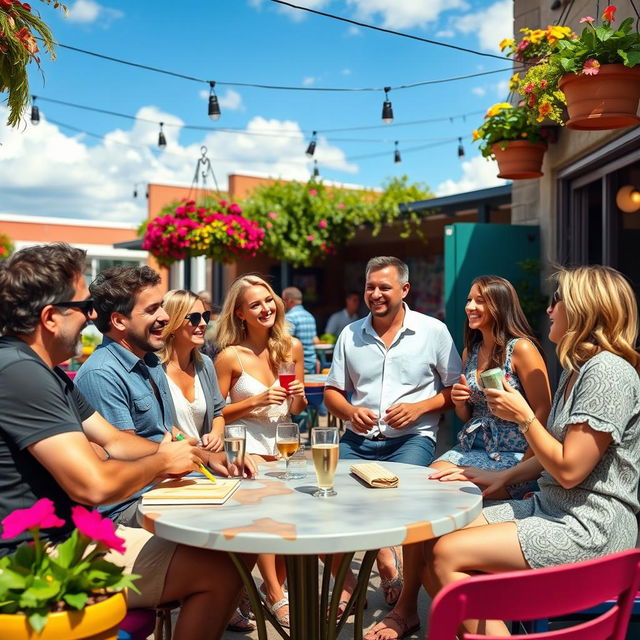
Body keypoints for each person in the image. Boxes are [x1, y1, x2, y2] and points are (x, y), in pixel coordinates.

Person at [0, 243, 255, 640]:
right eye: (82, 305)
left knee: (235, 548)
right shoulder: (21, 374)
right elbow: (94, 486)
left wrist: (191, 453)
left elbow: (116, 441)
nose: (90, 317)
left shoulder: (41, 370)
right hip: (32, 558)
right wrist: (163, 462)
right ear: (50, 317)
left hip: (68, 538)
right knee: (222, 568)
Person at [423, 265, 640, 637]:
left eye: (558, 300)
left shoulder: (608, 372)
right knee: (434, 541)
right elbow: (555, 451)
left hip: (590, 525)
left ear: (584, 309)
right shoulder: (578, 369)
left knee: (448, 555)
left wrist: (524, 418)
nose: (549, 309)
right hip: (552, 506)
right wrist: (500, 477)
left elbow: (571, 469)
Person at [366, 275, 552, 640]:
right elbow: (469, 418)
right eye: (469, 299)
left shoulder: (522, 349)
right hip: (474, 448)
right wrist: (460, 403)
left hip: (514, 454)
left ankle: (408, 610)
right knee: (421, 491)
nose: (470, 307)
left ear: (500, 305)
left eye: (480, 301)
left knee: (437, 505)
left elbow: (543, 411)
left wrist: (525, 468)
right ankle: (417, 608)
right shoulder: (471, 352)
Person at [324, 256, 461, 613]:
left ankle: (404, 595)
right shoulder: (350, 334)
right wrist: (351, 410)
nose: (376, 294)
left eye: (384, 287)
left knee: (403, 510)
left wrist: (420, 408)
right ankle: (350, 584)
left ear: (404, 289)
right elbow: (332, 392)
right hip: (358, 440)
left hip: (412, 440)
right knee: (325, 506)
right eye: (370, 286)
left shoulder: (434, 331)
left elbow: (455, 391)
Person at [76, 266, 256, 528]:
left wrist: (209, 454)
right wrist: (200, 456)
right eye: (152, 310)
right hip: (128, 507)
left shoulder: (149, 361)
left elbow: (161, 429)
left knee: (252, 506)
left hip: (163, 488)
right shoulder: (101, 373)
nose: (164, 316)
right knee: (234, 527)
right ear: (118, 321)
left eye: (161, 306)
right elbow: (124, 451)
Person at [215, 274, 308, 628]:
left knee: (284, 523)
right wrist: (256, 399)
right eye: (255, 304)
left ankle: (261, 593)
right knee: (265, 521)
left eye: (268, 300)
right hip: (247, 447)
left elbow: (296, 409)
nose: (266, 308)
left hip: (283, 442)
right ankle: (272, 594)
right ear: (240, 313)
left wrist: (297, 393)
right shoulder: (229, 356)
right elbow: (216, 412)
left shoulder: (291, 347)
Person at [160, 289, 225, 450]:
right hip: (171, 466)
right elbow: (153, 420)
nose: (203, 323)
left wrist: (216, 434)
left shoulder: (205, 364)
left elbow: (218, 413)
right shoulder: (153, 368)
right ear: (172, 323)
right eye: (195, 318)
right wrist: (183, 439)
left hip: (205, 465)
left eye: (206, 316)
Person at [282, 286, 319, 373]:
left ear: (289, 300)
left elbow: (284, 342)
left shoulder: (290, 317)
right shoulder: (310, 316)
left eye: (283, 300)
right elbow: (315, 340)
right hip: (312, 364)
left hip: (298, 365)